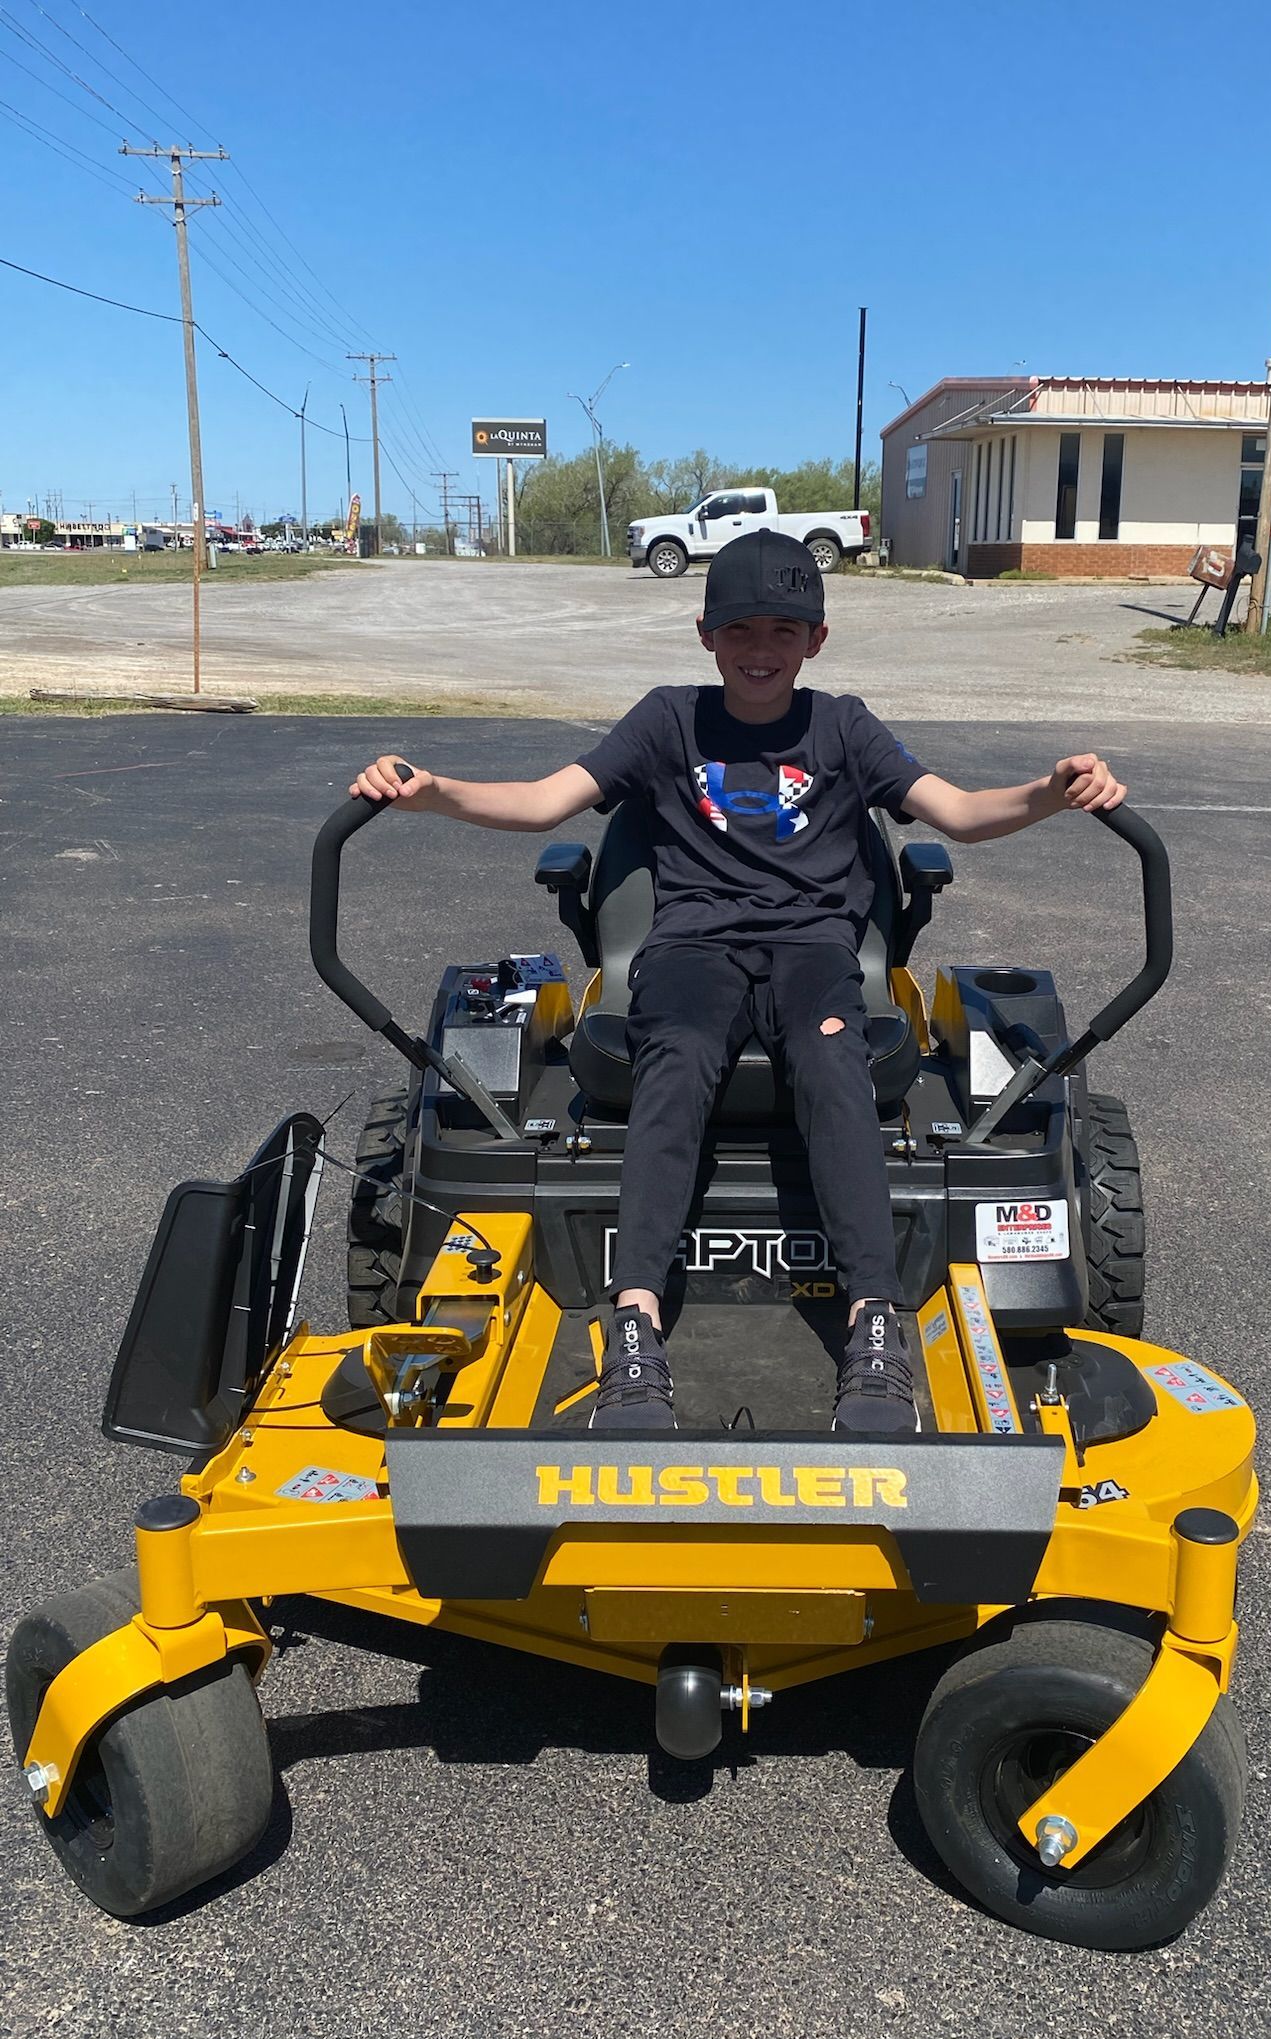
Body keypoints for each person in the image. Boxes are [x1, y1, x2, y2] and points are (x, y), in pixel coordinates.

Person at [351, 531, 1124, 1436]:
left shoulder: (844, 726)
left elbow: (959, 812)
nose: (762, 650)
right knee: (671, 1062)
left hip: (813, 948)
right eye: (742, 629)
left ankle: (876, 1321)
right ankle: (634, 1328)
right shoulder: (666, 721)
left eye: (784, 631)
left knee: (832, 1066)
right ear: (706, 634)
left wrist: (1054, 787)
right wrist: (430, 788)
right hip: (691, 947)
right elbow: (541, 800)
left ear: (816, 641)